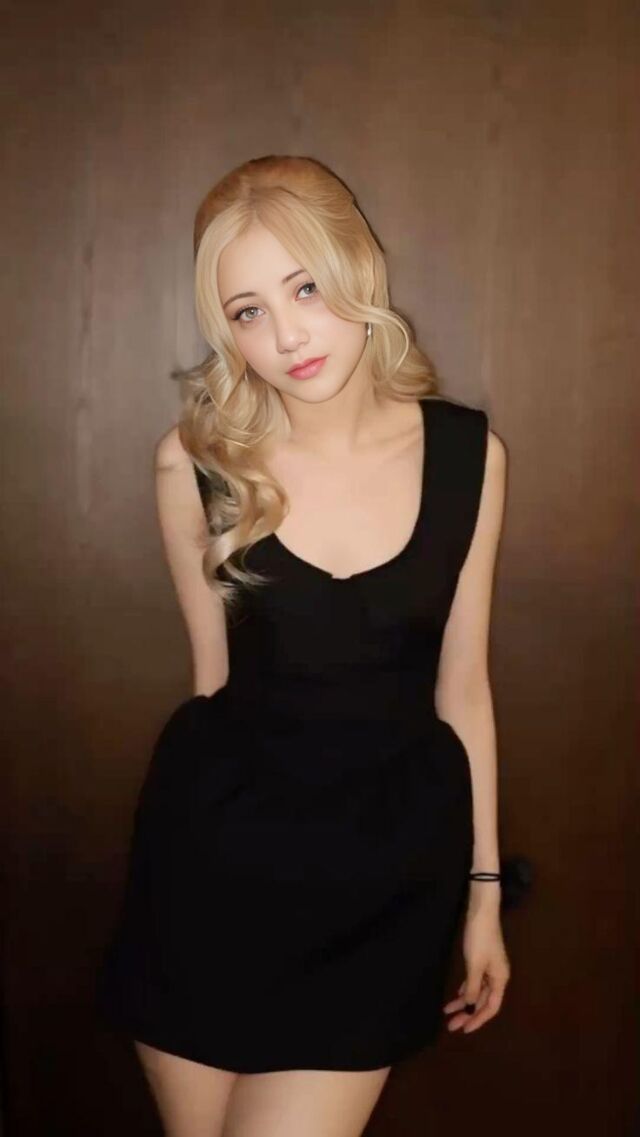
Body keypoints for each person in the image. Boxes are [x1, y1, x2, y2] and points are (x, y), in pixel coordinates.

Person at [96, 154, 511, 1137]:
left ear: (359, 268)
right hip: (210, 878)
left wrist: (483, 895)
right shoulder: (194, 463)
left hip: (380, 885)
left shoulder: (468, 458)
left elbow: (463, 690)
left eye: (306, 288)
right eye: (248, 311)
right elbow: (212, 686)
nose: (286, 336)